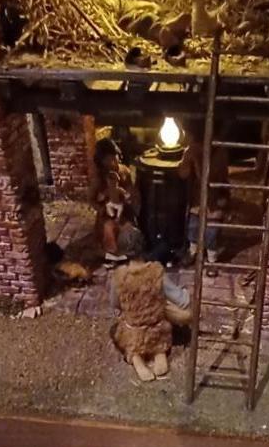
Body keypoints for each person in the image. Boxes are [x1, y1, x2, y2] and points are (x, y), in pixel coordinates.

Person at [110, 228, 192, 383]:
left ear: (123, 252)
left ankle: (137, 359)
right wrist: (185, 293)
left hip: (133, 330)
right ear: (143, 245)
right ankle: (159, 355)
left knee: (123, 333)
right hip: (156, 329)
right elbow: (181, 299)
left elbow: (114, 303)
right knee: (172, 322)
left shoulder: (119, 276)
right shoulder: (156, 271)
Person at [178, 121, 230, 266]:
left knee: (211, 231)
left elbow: (216, 176)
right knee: (193, 226)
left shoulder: (219, 152)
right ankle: (193, 250)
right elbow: (183, 173)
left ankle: (212, 257)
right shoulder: (192, 151)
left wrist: (196, 160)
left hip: (215, 195)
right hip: (198, 197)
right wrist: (188, 159)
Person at [90, 137, 140, 266]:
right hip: (106, 214)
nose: (112, 162)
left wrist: (128, 198)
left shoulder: (124, 171)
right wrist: (102, 207)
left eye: (114, 158)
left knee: (129, 232)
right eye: (108, 160)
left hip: (123, 211)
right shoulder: (98, 177)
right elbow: (91, 199)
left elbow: (131, 192)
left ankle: (125, 252)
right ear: (101, 161)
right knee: (109, 229)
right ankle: (111, 253)